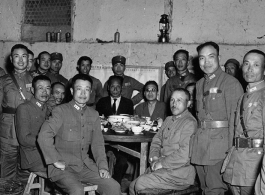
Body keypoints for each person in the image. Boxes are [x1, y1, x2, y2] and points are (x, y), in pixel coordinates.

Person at [38, 74, 121, 195]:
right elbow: (44, 135)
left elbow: (97, 144)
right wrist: (54, 160)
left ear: (91, 92)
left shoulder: (93, 115)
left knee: (113, 187)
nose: (83, 93)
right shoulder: (60, 111)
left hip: (85, 166)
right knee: (77, 190)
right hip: (62, 168)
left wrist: (102, 166)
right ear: (71, 91)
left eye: (87, 89)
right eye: (79, 89)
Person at [190, 41, 244, 195]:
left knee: (215, 189)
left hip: (220, 148)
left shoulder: (230, 83)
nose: (206, 62)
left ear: (219, 58)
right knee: (203, 188)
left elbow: (236, 121)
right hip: (200, 146)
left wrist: (232, 151)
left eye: (210, 57)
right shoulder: (199, 84)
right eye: (201, 58)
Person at [129, 88, 197, 195]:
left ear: (188, 103)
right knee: (132, 186)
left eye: (179, 100)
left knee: (140, 184)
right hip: (162, 168)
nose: (174, 104)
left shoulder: (189, 123)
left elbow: (184, 154)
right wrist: (155, 158)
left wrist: (162, 163)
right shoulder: (168, 120)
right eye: (172, 100)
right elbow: (156, 140)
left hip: (179, 172)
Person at [223, 50, 265, 195]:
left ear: (264, 70)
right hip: (237, 161)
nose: (250, 69)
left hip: (255, 164)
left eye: (256, 65)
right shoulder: (243, 97)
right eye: (246, 64)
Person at [0, 44, 33, 184]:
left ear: (29, 59)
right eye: (16, 56)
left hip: (29, 130)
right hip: (8, 130)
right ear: (11, 59)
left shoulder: (36, 80)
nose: (20, 60)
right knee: (6, 166)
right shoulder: (3, 81)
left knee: (26, 168)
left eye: (24, 56)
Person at [96, 75, 134, 185]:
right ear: (108, 87)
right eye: (113, 86)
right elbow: (98, 120)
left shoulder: (128, 103)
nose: (115, 89)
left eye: (118, 87)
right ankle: (104, 186)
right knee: (101, 161)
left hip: (123, 142)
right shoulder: (102, 102)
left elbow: (130, 123)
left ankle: (115, 186)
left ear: (122, 88)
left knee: (122, 162)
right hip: (104, 141)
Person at [16, 75, 51, 173]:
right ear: (32, 90)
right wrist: (48, 141)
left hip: (47, 154)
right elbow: (24, 139)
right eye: (40, 88)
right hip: (32, 157)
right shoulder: (24, 108)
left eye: (48, 88)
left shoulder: (47, 109)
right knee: (63, 171)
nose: (44, 92)